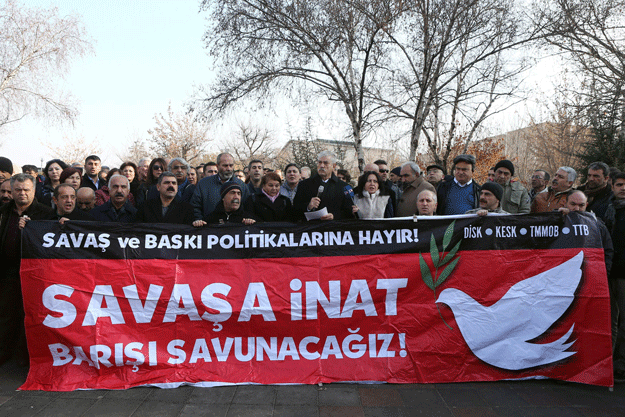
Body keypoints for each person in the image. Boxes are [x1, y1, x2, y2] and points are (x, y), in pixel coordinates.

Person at [0, 174, 55, 367]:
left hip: (35, 274)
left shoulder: (46, 213)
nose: (22, 193)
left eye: (26, 190)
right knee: (6, 313)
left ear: (34, 191)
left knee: (33, 314)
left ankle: (29, 358)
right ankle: (5, 355)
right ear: (12, 191)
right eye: (18, 190)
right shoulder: (3, 211)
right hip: (7, 272)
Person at [293, 151, 355, 221]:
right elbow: (294, 210)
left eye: (325, 163)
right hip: (310, 229)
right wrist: (308, 206)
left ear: (334, 166)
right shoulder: (304, 184)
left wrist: (334, 216)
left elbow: (349, 212)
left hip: (334, 229)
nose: (322, 166)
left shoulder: (345, 187)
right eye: (319, 162)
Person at [191, 153, 250, 220]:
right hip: (208, 227)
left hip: (235, 227)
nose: (228, 169)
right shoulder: (203, 184)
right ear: (217, 166)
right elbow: (195, 206)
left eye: (231, 165)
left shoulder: (241, 185)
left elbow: (247, 208)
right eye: (225, 166)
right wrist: (199, 222)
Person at [607, 173, 625, 381]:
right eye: (619, 185)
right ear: (612, 187)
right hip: (609, 271)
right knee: (610, 320)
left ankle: (621, 364)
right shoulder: (607, 209)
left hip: (623, 275)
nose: (623, 188)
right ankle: (608, 360)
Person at [578, 162, 613, 226]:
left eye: (596, 176)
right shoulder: (579, 191)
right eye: (589, 175)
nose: (591, 179)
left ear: (606, 178)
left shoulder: (611, 196)